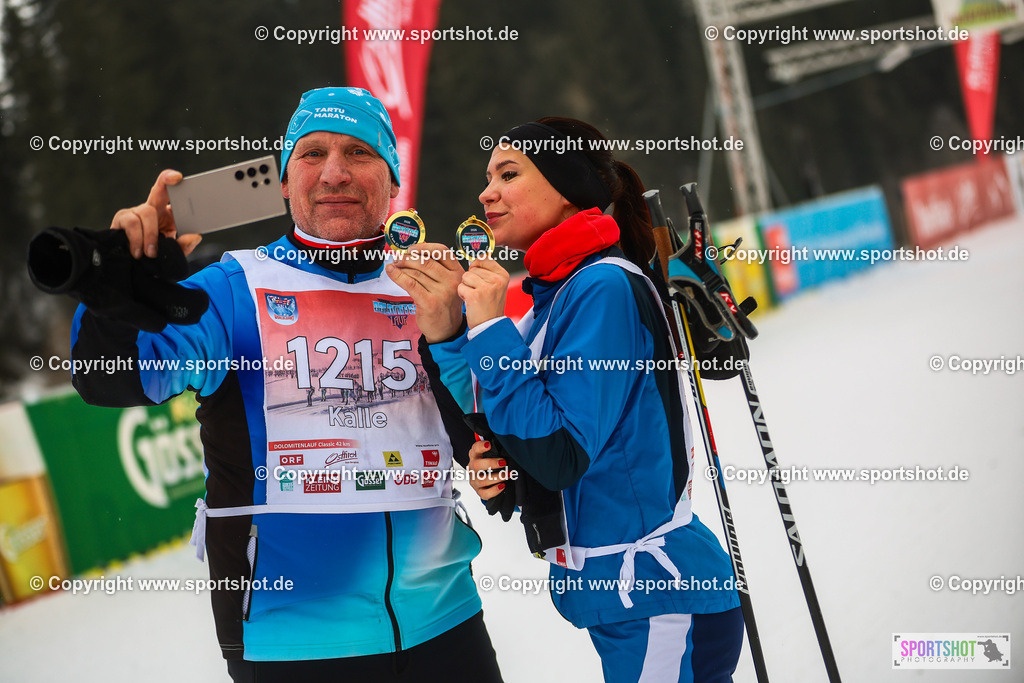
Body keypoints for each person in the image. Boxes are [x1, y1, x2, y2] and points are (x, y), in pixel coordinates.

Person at [66, 87, 503, 682]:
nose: (334, 172)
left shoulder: (431, 284)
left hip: (444, 621)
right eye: (312, 154)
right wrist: (122, 281)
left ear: (393, 180)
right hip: (289, 637)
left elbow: (489, 432)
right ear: (283, 179)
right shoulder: (231, 288)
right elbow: (110, 379)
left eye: (359, 153)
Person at [390, 118, 744, 682]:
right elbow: (501, 414)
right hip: (626, 600)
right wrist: (450, 335)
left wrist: (486, 328)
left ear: (567, 189)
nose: (487, 193)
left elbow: (556, 450)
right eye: (487, 177)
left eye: (509, 174)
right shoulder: (555, 293)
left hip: (657, 598)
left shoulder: (602, 286)